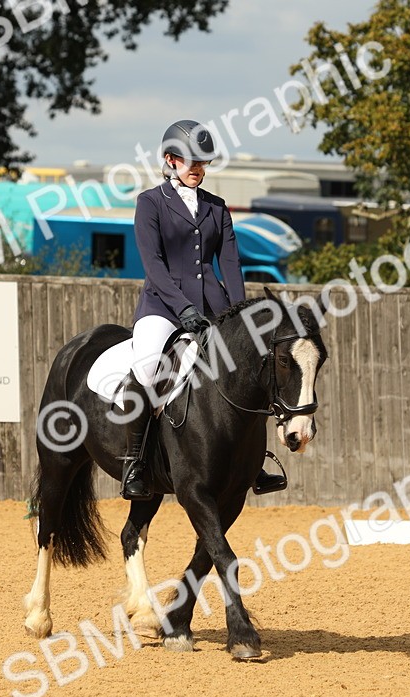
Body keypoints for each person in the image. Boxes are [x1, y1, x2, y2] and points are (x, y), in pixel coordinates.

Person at [118, 119, 287, 500]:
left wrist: (240, 315)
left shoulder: (216, 207)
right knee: (147, 366)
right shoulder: (149, 203)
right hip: (162, 305)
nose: (197, 168)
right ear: (169, 160)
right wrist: (183, 308)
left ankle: (252, 463)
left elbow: (230, 264)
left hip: (214, 307)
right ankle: (136, 463)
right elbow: (154, 267)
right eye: (190, 161)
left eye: (202, 162)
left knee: (244, 367)